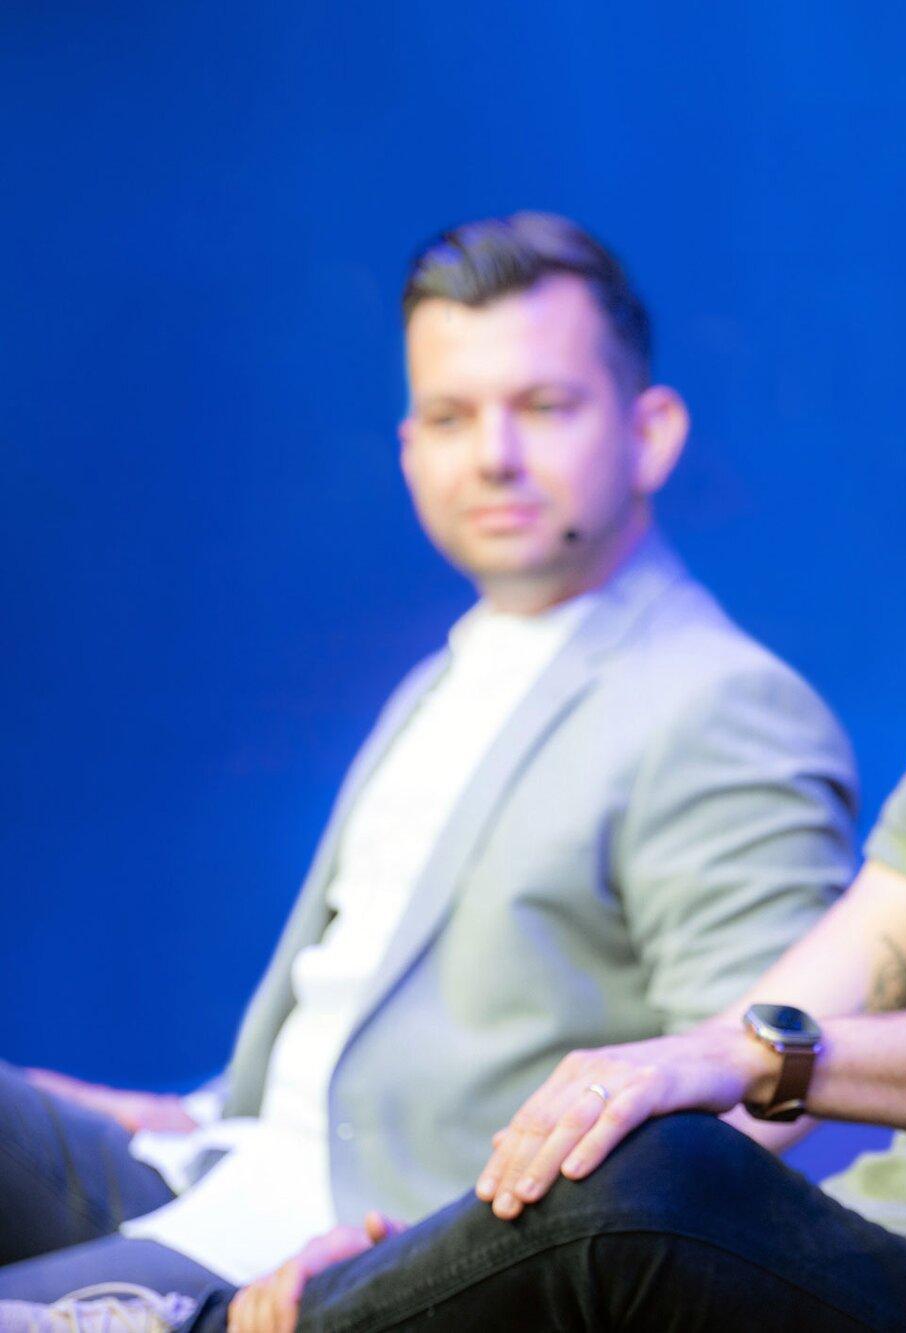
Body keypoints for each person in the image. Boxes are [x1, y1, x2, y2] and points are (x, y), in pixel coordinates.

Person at [181, 157, 906, 1333]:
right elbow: (715, 1082)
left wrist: (748, 1059)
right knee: (635, 1137)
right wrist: (406, 1266)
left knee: (661, 1172)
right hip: (881, 1259)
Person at [0, 213, 856, 1323]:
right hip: (208, 1169)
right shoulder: (444, 676)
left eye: (543, 407)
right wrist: (180, 1114)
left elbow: (741, 1124)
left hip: (348, 1242)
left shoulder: (718, 704)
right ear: (410, 450)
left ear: (651, 431)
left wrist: (419, 1279)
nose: (492, 454)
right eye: (452, 417)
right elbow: (359, 1022)